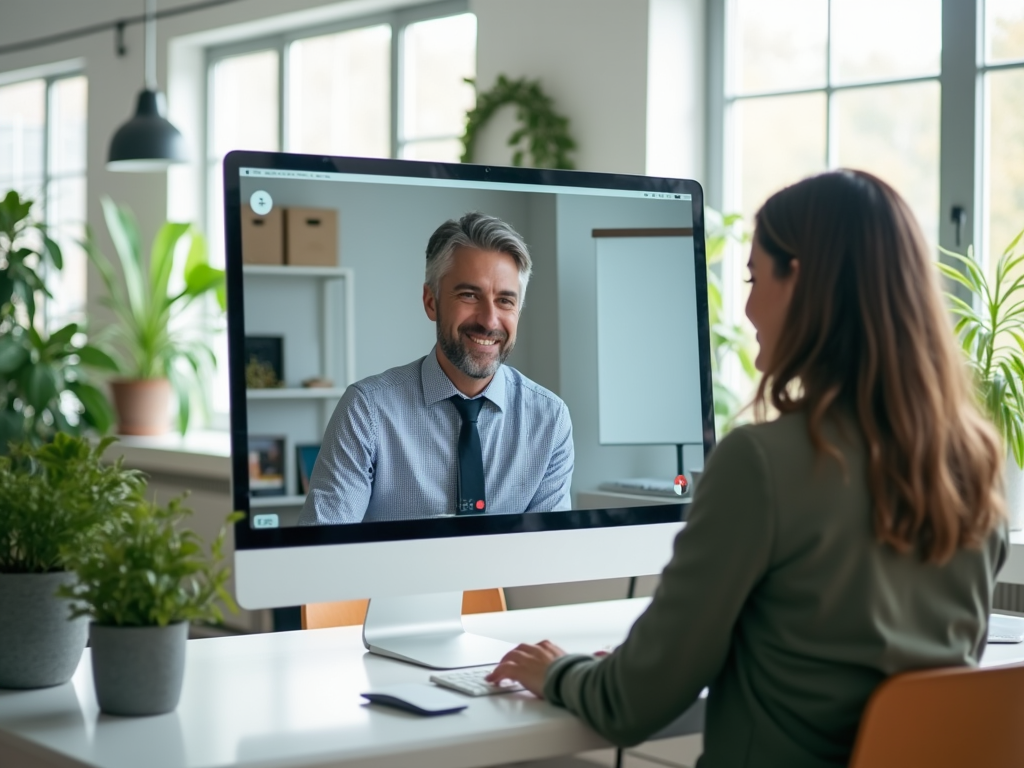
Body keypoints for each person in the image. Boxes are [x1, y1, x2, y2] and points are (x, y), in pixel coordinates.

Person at [487, 171, 1008, 767]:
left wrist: (558, 670)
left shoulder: (761, 465)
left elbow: (629, 705)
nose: (747, 305)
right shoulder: (973, 467)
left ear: (802, 282)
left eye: (755, 277)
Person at [299, 211, 573, 525]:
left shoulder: (550, 421)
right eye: (470, 295)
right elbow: (323, 550)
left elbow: (547, 556)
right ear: (431, 302)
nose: (489, 320)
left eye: (505, 301)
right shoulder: (366, 411)